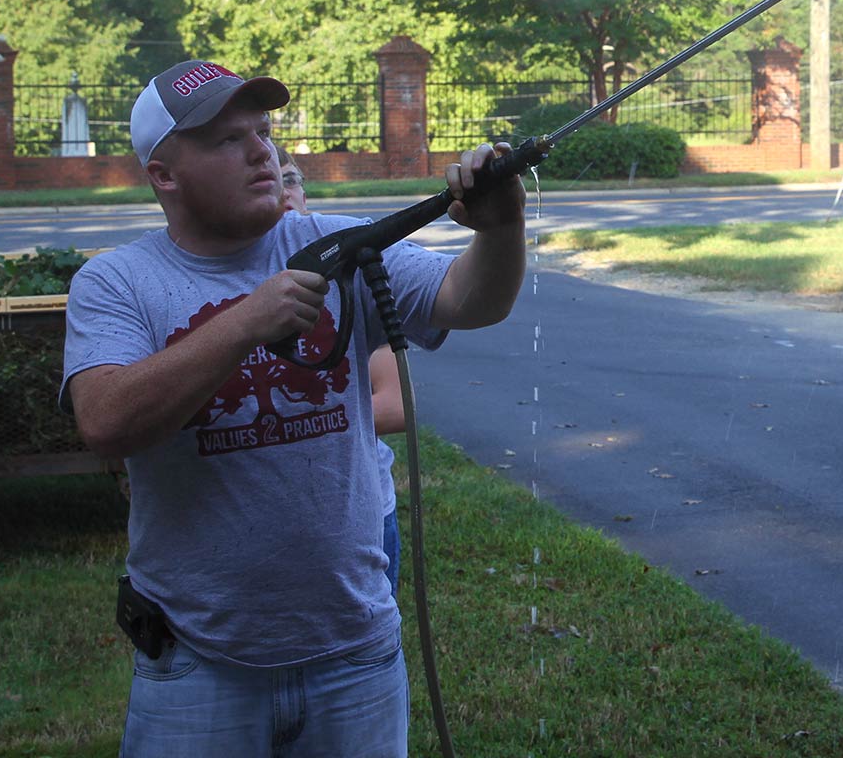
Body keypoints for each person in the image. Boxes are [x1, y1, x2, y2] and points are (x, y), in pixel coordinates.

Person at [61, 60, 524, 757]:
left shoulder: (340, 247)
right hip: (196, 660)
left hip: (355, 652)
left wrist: (500, 230)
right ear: (164, 175)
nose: (262, 153)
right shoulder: (117, 283)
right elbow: (104, 422)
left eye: (264, 131)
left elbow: (469, 301)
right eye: (226, 140)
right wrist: (246, 319)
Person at [274, 143, 404, 593]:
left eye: (290, 179)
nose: (284, 191)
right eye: (271, 180)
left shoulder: (345, 266)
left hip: (361, 518)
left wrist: (304, 422)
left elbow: (397, 403)